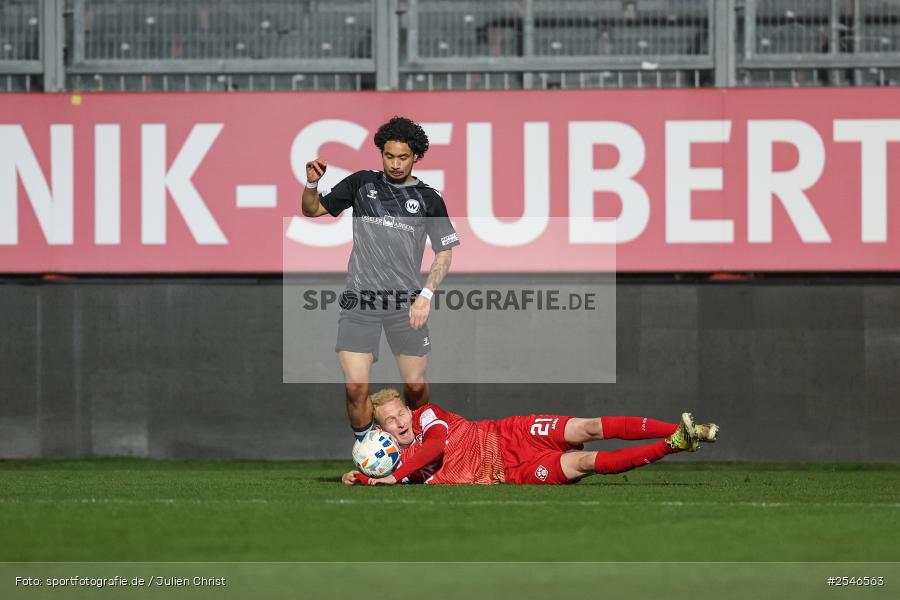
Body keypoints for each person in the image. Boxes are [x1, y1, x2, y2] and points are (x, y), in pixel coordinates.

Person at [301, 117, 459, 442]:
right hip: (360, 302)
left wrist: (425, 297)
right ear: (382, 154)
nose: (395, 163)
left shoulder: (429, 199)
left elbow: (444, 252)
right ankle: (367, 448)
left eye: (403, 157)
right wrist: (312, 183)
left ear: (416, 156)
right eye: (389, 156)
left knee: (415, 386)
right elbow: (312, 210)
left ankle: (416, 446)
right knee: (355, 387)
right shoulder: (362, 183)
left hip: (406, 304)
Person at [342, 388, 719, 486]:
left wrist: (391, 475)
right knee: (585, 463)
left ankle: (682, 428)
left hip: (512, 432)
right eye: (390, 421)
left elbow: (438, 446)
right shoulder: (404, 471)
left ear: (408, 411)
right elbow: (388, 475)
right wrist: (360, 476)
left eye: (399, 413)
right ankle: (676, 443)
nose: (400, 423)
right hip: (514, 471)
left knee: (587, 427)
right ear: (382, 430)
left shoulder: (427, 417)